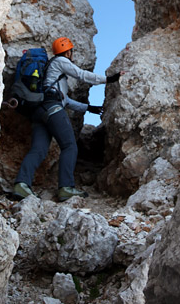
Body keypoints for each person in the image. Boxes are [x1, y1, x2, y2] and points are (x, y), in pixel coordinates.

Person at [13, 37, 122, 202]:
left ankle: (21, 185)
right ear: (68, 51)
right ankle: (66, 187)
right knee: (69, 145)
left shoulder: (53, 75)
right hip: (52, 108)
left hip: (38, 112)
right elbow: (81, 75)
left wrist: (88, 108)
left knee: (38, 150)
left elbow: (66, 101)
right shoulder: (61, 61)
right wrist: (109, 79)